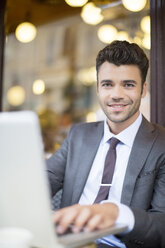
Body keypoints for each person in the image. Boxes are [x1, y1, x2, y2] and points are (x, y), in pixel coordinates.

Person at [46, 40, 165, 248]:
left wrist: (116, 213)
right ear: (98, 89)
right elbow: (43, 180)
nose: (116, 94)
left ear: (143, 90)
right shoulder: (78, 135)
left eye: (128, 84)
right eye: (107, 84)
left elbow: (162, 225)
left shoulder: (161, 144)